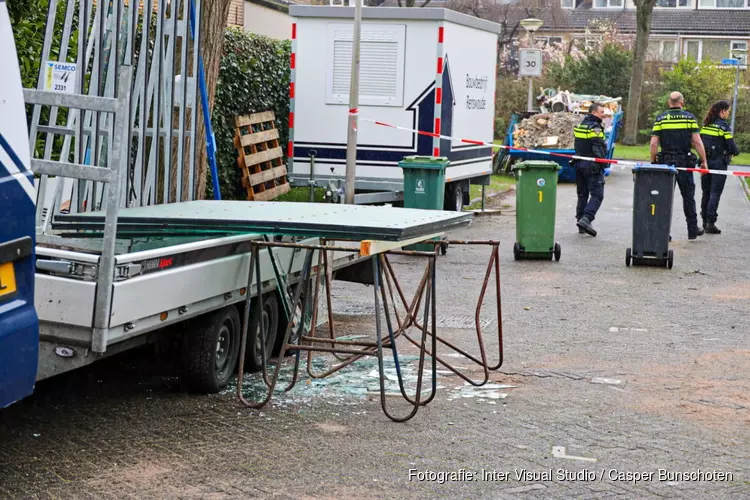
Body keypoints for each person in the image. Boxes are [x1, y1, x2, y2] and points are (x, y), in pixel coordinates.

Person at [650, 91, 708, 240]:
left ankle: (664, 232)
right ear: (682, 103)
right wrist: (704, 161)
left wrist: (653, 160)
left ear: (669, 103)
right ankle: (693, 230)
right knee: (688, 197)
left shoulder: (661, 119)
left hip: (666, 163)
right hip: (684, 162)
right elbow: (697, 142)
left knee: (664, 198)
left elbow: (653, 143)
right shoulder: (690, 118)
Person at [699, 100, 740, 234]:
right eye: (728, 111)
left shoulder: (706, 125)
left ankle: (704, 220)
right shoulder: (724, 127)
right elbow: (732, 147)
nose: (728, 113)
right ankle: (711, 223)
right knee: (715, 193)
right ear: (722, 111)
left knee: (706, 192)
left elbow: (699, 142)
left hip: (705, 161)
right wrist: (734, 153)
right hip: (719, 162)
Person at [573, 103, 608, 236]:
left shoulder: (581, 125)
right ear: (594, 113)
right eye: (601, 112)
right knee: (597, 195)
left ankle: (580, 222)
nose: (603, 114)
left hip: (579, 164)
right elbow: (597, 147)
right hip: (592, 166)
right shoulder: (595, 127)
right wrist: (603, 164)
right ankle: (587, 218)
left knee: (582, 195)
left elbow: (577, 144)